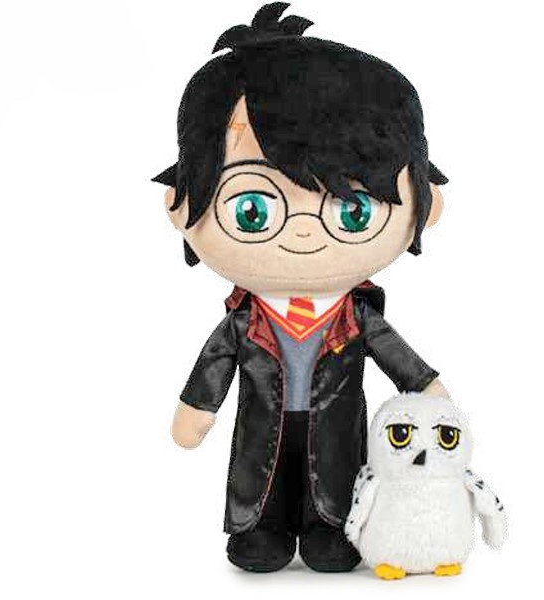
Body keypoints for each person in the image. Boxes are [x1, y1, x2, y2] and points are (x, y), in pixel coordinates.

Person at [153, 2, 450, 573]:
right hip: (260, 433)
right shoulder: (244, 321)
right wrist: (196, 407)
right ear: (181, 205)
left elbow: (400, 359)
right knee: (259, 484)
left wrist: (428, 388)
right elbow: (214, 366)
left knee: (335, 483)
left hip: (337, 436)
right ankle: (260, 528)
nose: (306, 233)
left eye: (353, 211)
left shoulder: (357, 318)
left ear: (426, 206)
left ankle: (331, 527)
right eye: (254, 209)